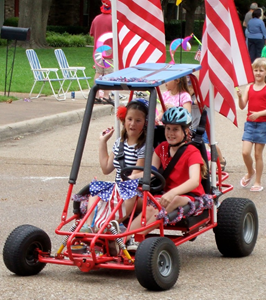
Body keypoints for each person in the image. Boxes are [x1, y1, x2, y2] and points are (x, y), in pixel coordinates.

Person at [127, 107, 207, 249]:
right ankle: (119, 234)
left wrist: (172, 192)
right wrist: (131, 177)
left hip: (189, 196)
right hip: (164, 195)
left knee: (169, 201)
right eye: (168, 128)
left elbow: (194, 181)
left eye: (175, 129)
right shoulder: (162, 148)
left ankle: (136, 236)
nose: (170, 133)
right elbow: (151, 172)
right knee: (136, 198)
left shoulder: (192, 152)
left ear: (186, 131)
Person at [84, 98, 149, 232]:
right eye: (129, 119)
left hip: (136, 190)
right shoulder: (120, 143)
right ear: (124, 120)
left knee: (129, 194)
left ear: (145, 123)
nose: (133, 124)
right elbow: (106, 168)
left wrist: (125, 183)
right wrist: (103, 142)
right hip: (118, 188)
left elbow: (136, 175)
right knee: (95, 192)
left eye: (138, 121)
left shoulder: (144, 146)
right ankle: (89, 226)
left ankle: (113, 224)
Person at [237, 57, 266, 192]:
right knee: (245, 152)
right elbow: (242, 106)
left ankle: (258, 181)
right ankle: (250, 172)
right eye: (256, 70)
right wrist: (239, 96)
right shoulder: (249, 87)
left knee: (258, 155)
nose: (258, 73)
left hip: (262, 125)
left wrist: (259, 114)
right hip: (250, 124)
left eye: (261, 70)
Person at [188, 77, 226, 170]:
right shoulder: (188, 97)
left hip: (204, 124)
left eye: (190, 88)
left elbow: (199, 102)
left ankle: (220, 160)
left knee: (210, 143)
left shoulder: (200, 96)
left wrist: (191, 101)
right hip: (194, 124)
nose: (188, 91)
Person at [89, 0, 114, 105]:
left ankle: (95, 96)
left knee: (98, 73)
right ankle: (106, 96)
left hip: (98, 50)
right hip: (109, 50)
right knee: (108, 73)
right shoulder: (114, 20)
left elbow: (92, 33)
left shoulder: (96, 19)